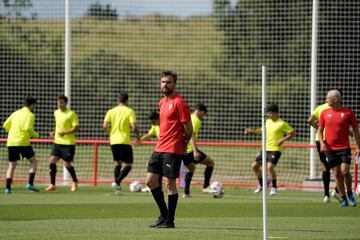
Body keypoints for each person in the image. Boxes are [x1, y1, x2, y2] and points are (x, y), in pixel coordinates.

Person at [145, 71, 193, 228]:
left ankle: (170, 221)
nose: (165, 84)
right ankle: (164, 215)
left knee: (169, 184)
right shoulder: (162, 102)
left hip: (172, 149)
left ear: (175, 84)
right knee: (150, 181)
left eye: (169, 82)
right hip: (159, 147)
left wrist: (184, 143)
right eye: (163, 82)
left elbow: (188, 127)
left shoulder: (179, 103)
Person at [318, 90, 360, 207]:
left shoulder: (348, 112)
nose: (326, 100)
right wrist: (322, 143)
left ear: (335, 99)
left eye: (328, 98)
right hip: (330, 149)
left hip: (344, 148)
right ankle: (343, 199)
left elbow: (356, 129)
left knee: (345, 171)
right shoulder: (324, 113)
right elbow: (320, 130)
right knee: (336, 173)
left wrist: (358, 146)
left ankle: (350, 193)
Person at [245, 104, 295, 196]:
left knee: (269, 167)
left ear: (275, 113)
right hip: (265, 148)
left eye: (270, 113)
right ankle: (261, 185)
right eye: (267, 113)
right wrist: (252, 131)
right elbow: (262, 131)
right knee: (254, 166)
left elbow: (292, 133)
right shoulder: (267, 122)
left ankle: (274, 187)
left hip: (275, 149)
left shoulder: (282, 123)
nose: (268, 115)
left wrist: (282, 139)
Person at [103, 92, 140, 194]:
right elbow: (134, 127)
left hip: (113, 141)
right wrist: (138, 137)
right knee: (129, 164)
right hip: (124, 140)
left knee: (117, 163)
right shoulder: (129, 111)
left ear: (118, 100)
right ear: (127, 101)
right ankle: (117, 181)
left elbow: (105, 125)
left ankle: (117, 189)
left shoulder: (111, 111)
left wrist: (110, 134)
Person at [3, 96, 40, 194]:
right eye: (34, 106)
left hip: (11, 142)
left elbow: (5, 125)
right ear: (32, 105)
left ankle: (7, 189)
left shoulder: (15, 113)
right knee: (33, 162)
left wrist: (12, 133)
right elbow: (27, 127)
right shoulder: (30, 115)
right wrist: (36, 135)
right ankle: (30, 184)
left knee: (12, 165)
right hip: (23, 142)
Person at [308, 101, 341, 203]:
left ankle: (326, 195)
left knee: (325, 166)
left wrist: (318, 128)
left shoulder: (320, 107)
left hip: (319, 140)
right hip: (331, 140)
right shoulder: (338, 109)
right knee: (341, 167)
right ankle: (336, 190)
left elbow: (309, 120)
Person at [45, 95, 80, 192]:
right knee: (51, 161)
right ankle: (52, 184)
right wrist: (54, 132)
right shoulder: (56, 112)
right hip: (57, 142)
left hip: (68, 143)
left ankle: (75, 181)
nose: (59, 104)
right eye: (58, 102)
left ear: (66, 103)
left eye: (62, 103)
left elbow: (76, 127)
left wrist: (65, 132)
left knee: (67, 165)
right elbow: (58, 126)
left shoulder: (71, 114)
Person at [182, 103, 215, 198]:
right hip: (190, 150)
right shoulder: (196, 120)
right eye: (204, 114)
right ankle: (205, 187)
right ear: (201, 112)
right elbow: (191, 134)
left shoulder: (190, 117)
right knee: (210, 163)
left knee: (191, 168)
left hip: (183, 150)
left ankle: (186, 193)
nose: (203, 116)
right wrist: (195, 151)